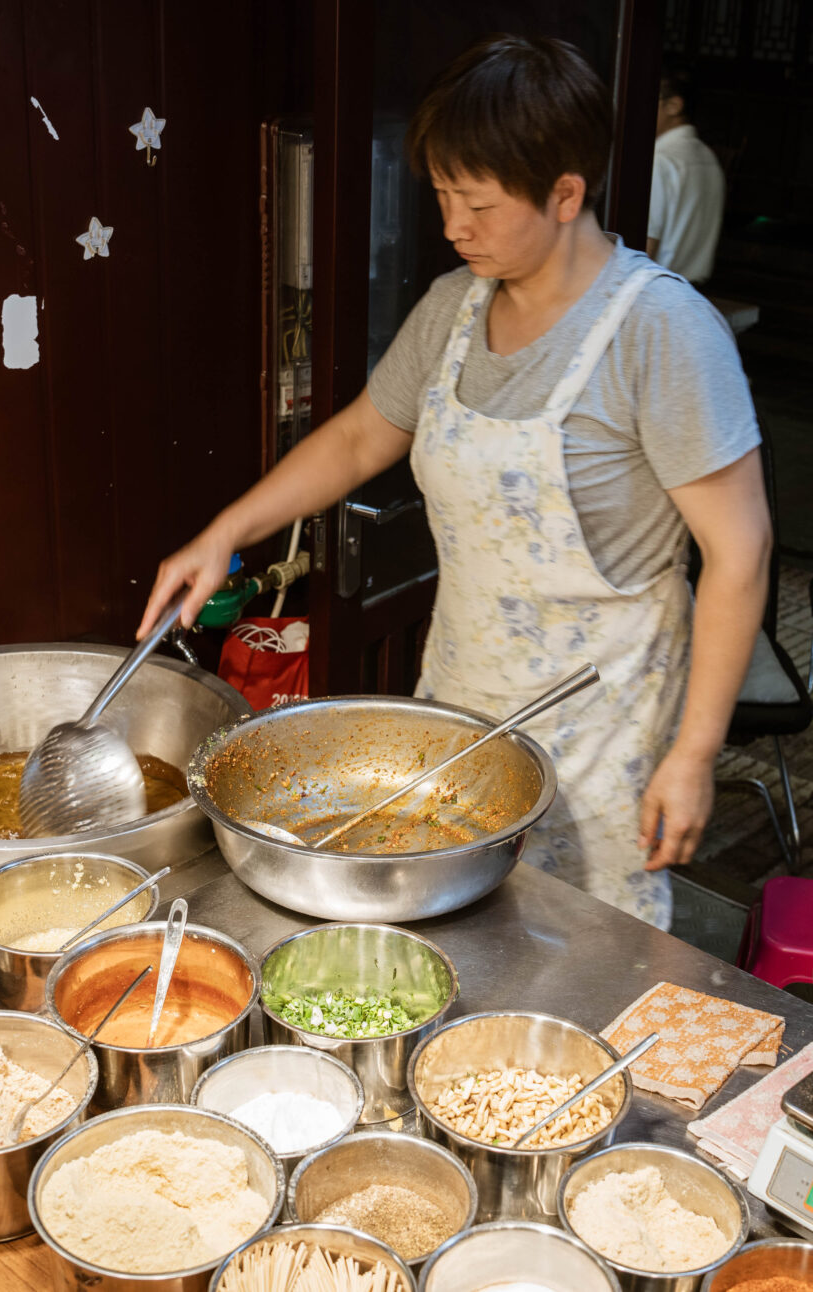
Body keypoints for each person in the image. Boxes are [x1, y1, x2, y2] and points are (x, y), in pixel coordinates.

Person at [138, 35, 770, 930]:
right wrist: (224, 533)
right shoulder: (455, 308)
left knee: (578, 938)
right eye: (441, 196)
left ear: (565, 194)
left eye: (475, 202)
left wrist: (696, 752)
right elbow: (360, 438)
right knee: (467, 928)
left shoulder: (661, 331)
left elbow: (739, 555)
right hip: (465, 695)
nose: (451, 226)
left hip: (603, 728)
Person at [647, 59, 725, 284]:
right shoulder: (707, 156)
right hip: (692, 289)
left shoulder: (660, 161)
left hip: (656, 291)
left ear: (674, 106)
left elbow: (644, 248)